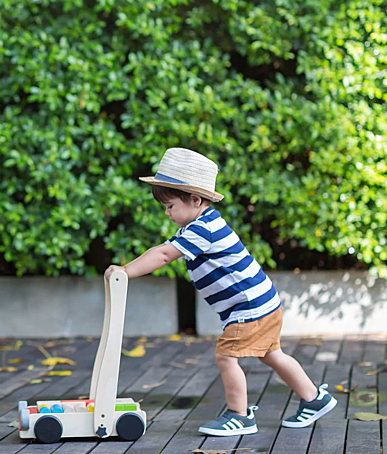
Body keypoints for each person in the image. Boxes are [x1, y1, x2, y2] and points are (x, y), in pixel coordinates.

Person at [104, 147, 337, 436]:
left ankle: (239, 416)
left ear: (195, 199)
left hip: (249, 309)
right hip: (263, 302)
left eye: (170, 206)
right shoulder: (198, 225)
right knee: (272, 354)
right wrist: (126, 269)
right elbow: (162, 250)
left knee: (226, 357)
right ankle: (314, 398)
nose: (167, 213)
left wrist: (125, 272)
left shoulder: (204, 229)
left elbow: (164, 256)